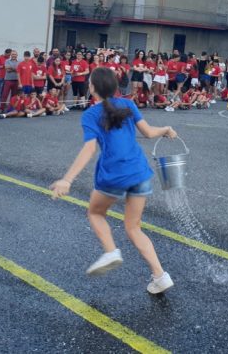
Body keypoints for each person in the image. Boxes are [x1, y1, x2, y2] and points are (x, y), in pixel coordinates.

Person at [50, 67, 176, 294]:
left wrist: (67, 179)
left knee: (96, 213)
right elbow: (148, 132)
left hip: (114, 174)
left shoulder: (90, 114)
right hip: (139, 171)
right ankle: (160, 275)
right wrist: (166, 129)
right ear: (116, 87)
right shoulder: (128, 104)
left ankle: (110, 251)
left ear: (92, 88)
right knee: (134, 227)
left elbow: (89, 148)